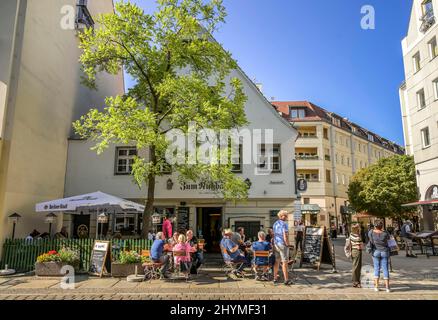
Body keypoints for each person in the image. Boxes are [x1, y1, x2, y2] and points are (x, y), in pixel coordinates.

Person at [368, 220, 391, 292]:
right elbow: (389, 239)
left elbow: (370, 239)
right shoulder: (385, 233)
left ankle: (376, 287)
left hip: (376, 251)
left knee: (376, 268)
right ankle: (387, 287)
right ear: (382, 226)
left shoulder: (371, 232)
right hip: (384, 251)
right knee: (385, 269)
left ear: (375, 226)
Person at [273, 210, 293, 286]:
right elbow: (285, 235)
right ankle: (286, 280)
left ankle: (275, 278)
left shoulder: (275, 223)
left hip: (276, 244)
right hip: (282, 244)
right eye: (286, 215)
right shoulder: (284, 224)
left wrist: (274, 243)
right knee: (285, 262)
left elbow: (274, 234)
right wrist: (287, 244)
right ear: (282, 216)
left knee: (277, 261)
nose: (287, 217)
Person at [349, 223, 363, 288]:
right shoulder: (356, 236)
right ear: (356, 229)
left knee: (357, 266)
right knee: (356, 266)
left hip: (355, 251)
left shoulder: (352, 234)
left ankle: (357, 281)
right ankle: (355, 282)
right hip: (356, 251)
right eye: (358, 227)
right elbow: (359, 244)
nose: (360, 228)